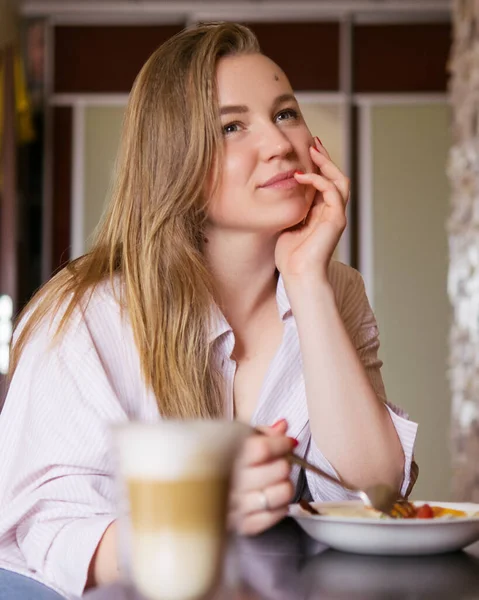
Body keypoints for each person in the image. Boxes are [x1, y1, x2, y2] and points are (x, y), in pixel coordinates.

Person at [0, 21, 418, 599]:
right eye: (231, 126)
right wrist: (199, 510)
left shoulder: (334, 289)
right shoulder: (84, 315)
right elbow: (48, 534)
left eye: (285, 113)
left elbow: (374, 490)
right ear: (176, 160)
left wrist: (306, 281)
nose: (278, 144)